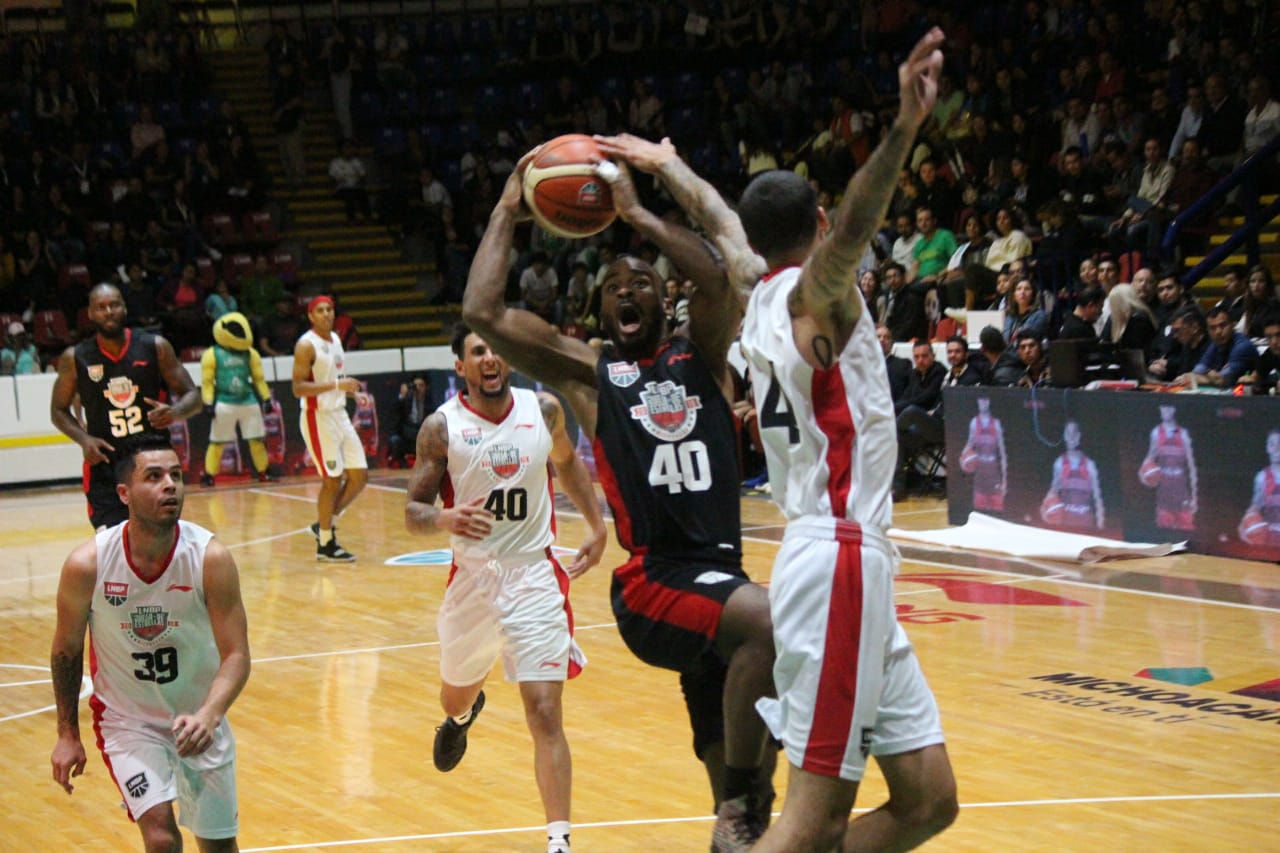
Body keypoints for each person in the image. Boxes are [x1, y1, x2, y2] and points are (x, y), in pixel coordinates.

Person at [675, 28, 957, 852]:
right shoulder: (812, 299)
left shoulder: (756, 290)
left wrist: (662, 166)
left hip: (845, 559)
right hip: (837, 555)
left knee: (929, 798)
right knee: (811, 819)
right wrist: (903, 127)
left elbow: (718, 218)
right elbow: (849, 239)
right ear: (824, 223)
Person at [462, 141, 776, 851]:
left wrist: (638, 214)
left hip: (719, 580)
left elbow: (720, 279)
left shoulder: (703, 353)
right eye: (612, 287)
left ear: (665, 300)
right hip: (654, 582)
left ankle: (738, 814)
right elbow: (481, 309)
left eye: (641, 282)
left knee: (747, 800)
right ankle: (740, 800)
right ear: (599, 310)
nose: (627, 291)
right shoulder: (590, 374)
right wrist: (508, 207)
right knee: (771, 624)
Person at [404, 324, 607, 853]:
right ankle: (462, 714)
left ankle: (559, 840)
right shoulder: (441, 428)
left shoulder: (544, 411)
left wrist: (597, 525)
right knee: (453, 694)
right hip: (473, 578)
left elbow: (567, 463)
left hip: (533, 575)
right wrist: (444, 517)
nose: (489, 358)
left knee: (544, 711)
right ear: (461, 367)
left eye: (495, 349)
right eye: (478, 351)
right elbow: (413, 510)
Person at [49, 434, 251, 853]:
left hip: (199, 718)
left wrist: (210, 715)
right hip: (129, 723)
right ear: (124, 493)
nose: (170, 485)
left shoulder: (210, 557)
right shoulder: (88, 565)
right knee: (160, 838)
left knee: (219, 847)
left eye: (176, 475)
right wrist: (67, 734)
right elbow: (66, 650)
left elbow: (236, 654)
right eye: (154, 476)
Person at [50, 283, 201, 530]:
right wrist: (84, 439)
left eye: (114, 305)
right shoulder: (75, 357)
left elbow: (193, 396)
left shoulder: (155, 347)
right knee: (110, 542)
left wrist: (174, 412)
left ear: (124, 308)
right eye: (101, 307)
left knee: (158, 539)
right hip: (105, 465)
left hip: (152, 460)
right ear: (90, 313)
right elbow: (57, 410)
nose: (109, 311)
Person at [292, 294, 367, 561]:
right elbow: (298, 388)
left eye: (329, 309)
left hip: (339, 414)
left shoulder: (335, 339)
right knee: (332, 480)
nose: (326, 314)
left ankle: (324, 523)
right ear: (311, 316)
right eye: (320, 310)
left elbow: (336, 379)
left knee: (359, 476)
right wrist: (337, 386)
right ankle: (325, 544)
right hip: (318, 417)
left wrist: (352, 393)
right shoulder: (306, 345)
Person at [200, 311, 275, 486]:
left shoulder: (251, 353)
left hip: (248, 400)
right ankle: (209, 475)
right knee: (217, 441)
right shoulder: (212, 354)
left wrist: (266, 398)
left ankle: (264, 471)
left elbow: (259, 379)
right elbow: (207, 382)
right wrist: (208, 402)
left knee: (256, 440)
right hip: (224, 401)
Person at [1140, 403, 1198, 531]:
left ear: (1174, 409)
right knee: (1164, 527)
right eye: (1163, 407)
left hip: (1180, 487)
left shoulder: (1183, 433)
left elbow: (1192, 465)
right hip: (1164, 487)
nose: (1165, 410)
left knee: (1186, 526)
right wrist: (1143, 474)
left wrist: (1194, 495)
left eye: (1168, 407)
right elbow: (1149, 457)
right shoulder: (1156, 433)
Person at [1040, 420, 1105, 530]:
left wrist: (1101, 523)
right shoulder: (1059, 463)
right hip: (1065, 525)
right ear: (1064, 436)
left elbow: (1098, 499)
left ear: (1079, 436)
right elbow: (1053, 490)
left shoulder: (1090, 465)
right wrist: (1044, 508)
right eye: (1068, 433)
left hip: (1085, 526)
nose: (1071, 437)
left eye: (1074, 433)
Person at [1183, 305, 1257, 388]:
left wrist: (1200, 376)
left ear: (1233, 325)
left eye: (1223, 325)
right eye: (1212, 328)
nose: (1218, 332)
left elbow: (1222, 380)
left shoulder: (1243, 346)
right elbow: (1198, 369)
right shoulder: (1215, 344)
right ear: (1207, 330)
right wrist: (1207, 374)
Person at [961, 395, 1008, 511]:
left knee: (997, 507)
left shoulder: (996, 423)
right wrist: (963, 459)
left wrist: (1005, 479)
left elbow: (1003, 453)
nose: (983, 403)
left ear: (989, 402)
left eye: (985, 400)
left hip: (993, 469)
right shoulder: (974, 423)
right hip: (980, 469)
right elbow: (969, 444)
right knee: (979, 508)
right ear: (977, 402)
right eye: (981, 400)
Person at [1239, 429, 1280, 547]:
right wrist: (1243, 523)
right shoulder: (1262, 477)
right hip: (1269, 536)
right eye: (1272, 444)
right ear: (1267, 448)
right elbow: (1255, 506)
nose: (1276, 448)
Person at [388, 374, 429, 467]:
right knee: (395, 440)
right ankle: (402, 464)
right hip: (407, 436)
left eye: (421, 385)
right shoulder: (406, 400)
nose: (418, 389)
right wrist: (402, 396)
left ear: (426, 387)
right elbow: (394, 412)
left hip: (423, 436)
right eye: (415, 386)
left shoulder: (429, 402)